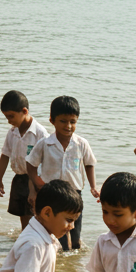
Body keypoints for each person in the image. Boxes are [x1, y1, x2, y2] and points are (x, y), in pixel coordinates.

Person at [25, 96, 98, 251]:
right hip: (52, 193)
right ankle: (58, 256)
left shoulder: (81, 143)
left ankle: (75, 253)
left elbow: (89, 164)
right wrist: (37, 183)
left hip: (74, 193)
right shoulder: (45, 143)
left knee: (75, 230)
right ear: (52, 120)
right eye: (63, 121)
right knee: (56, 232)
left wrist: (93, 186)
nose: (68, 126)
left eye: (73, 121)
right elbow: (31, 164)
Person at [0, 90, 51, 230]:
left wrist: (35, 188)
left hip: (35, 179)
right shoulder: (12, 132)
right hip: (19, 178)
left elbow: (45, 163)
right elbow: (5, 155)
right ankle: (25, 238)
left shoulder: (40, 133)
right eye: (6, 117)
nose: (9, 121)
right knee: (23, 213)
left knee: (36, 214)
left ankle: (38, 240)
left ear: (24, 111)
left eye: (11, 116)